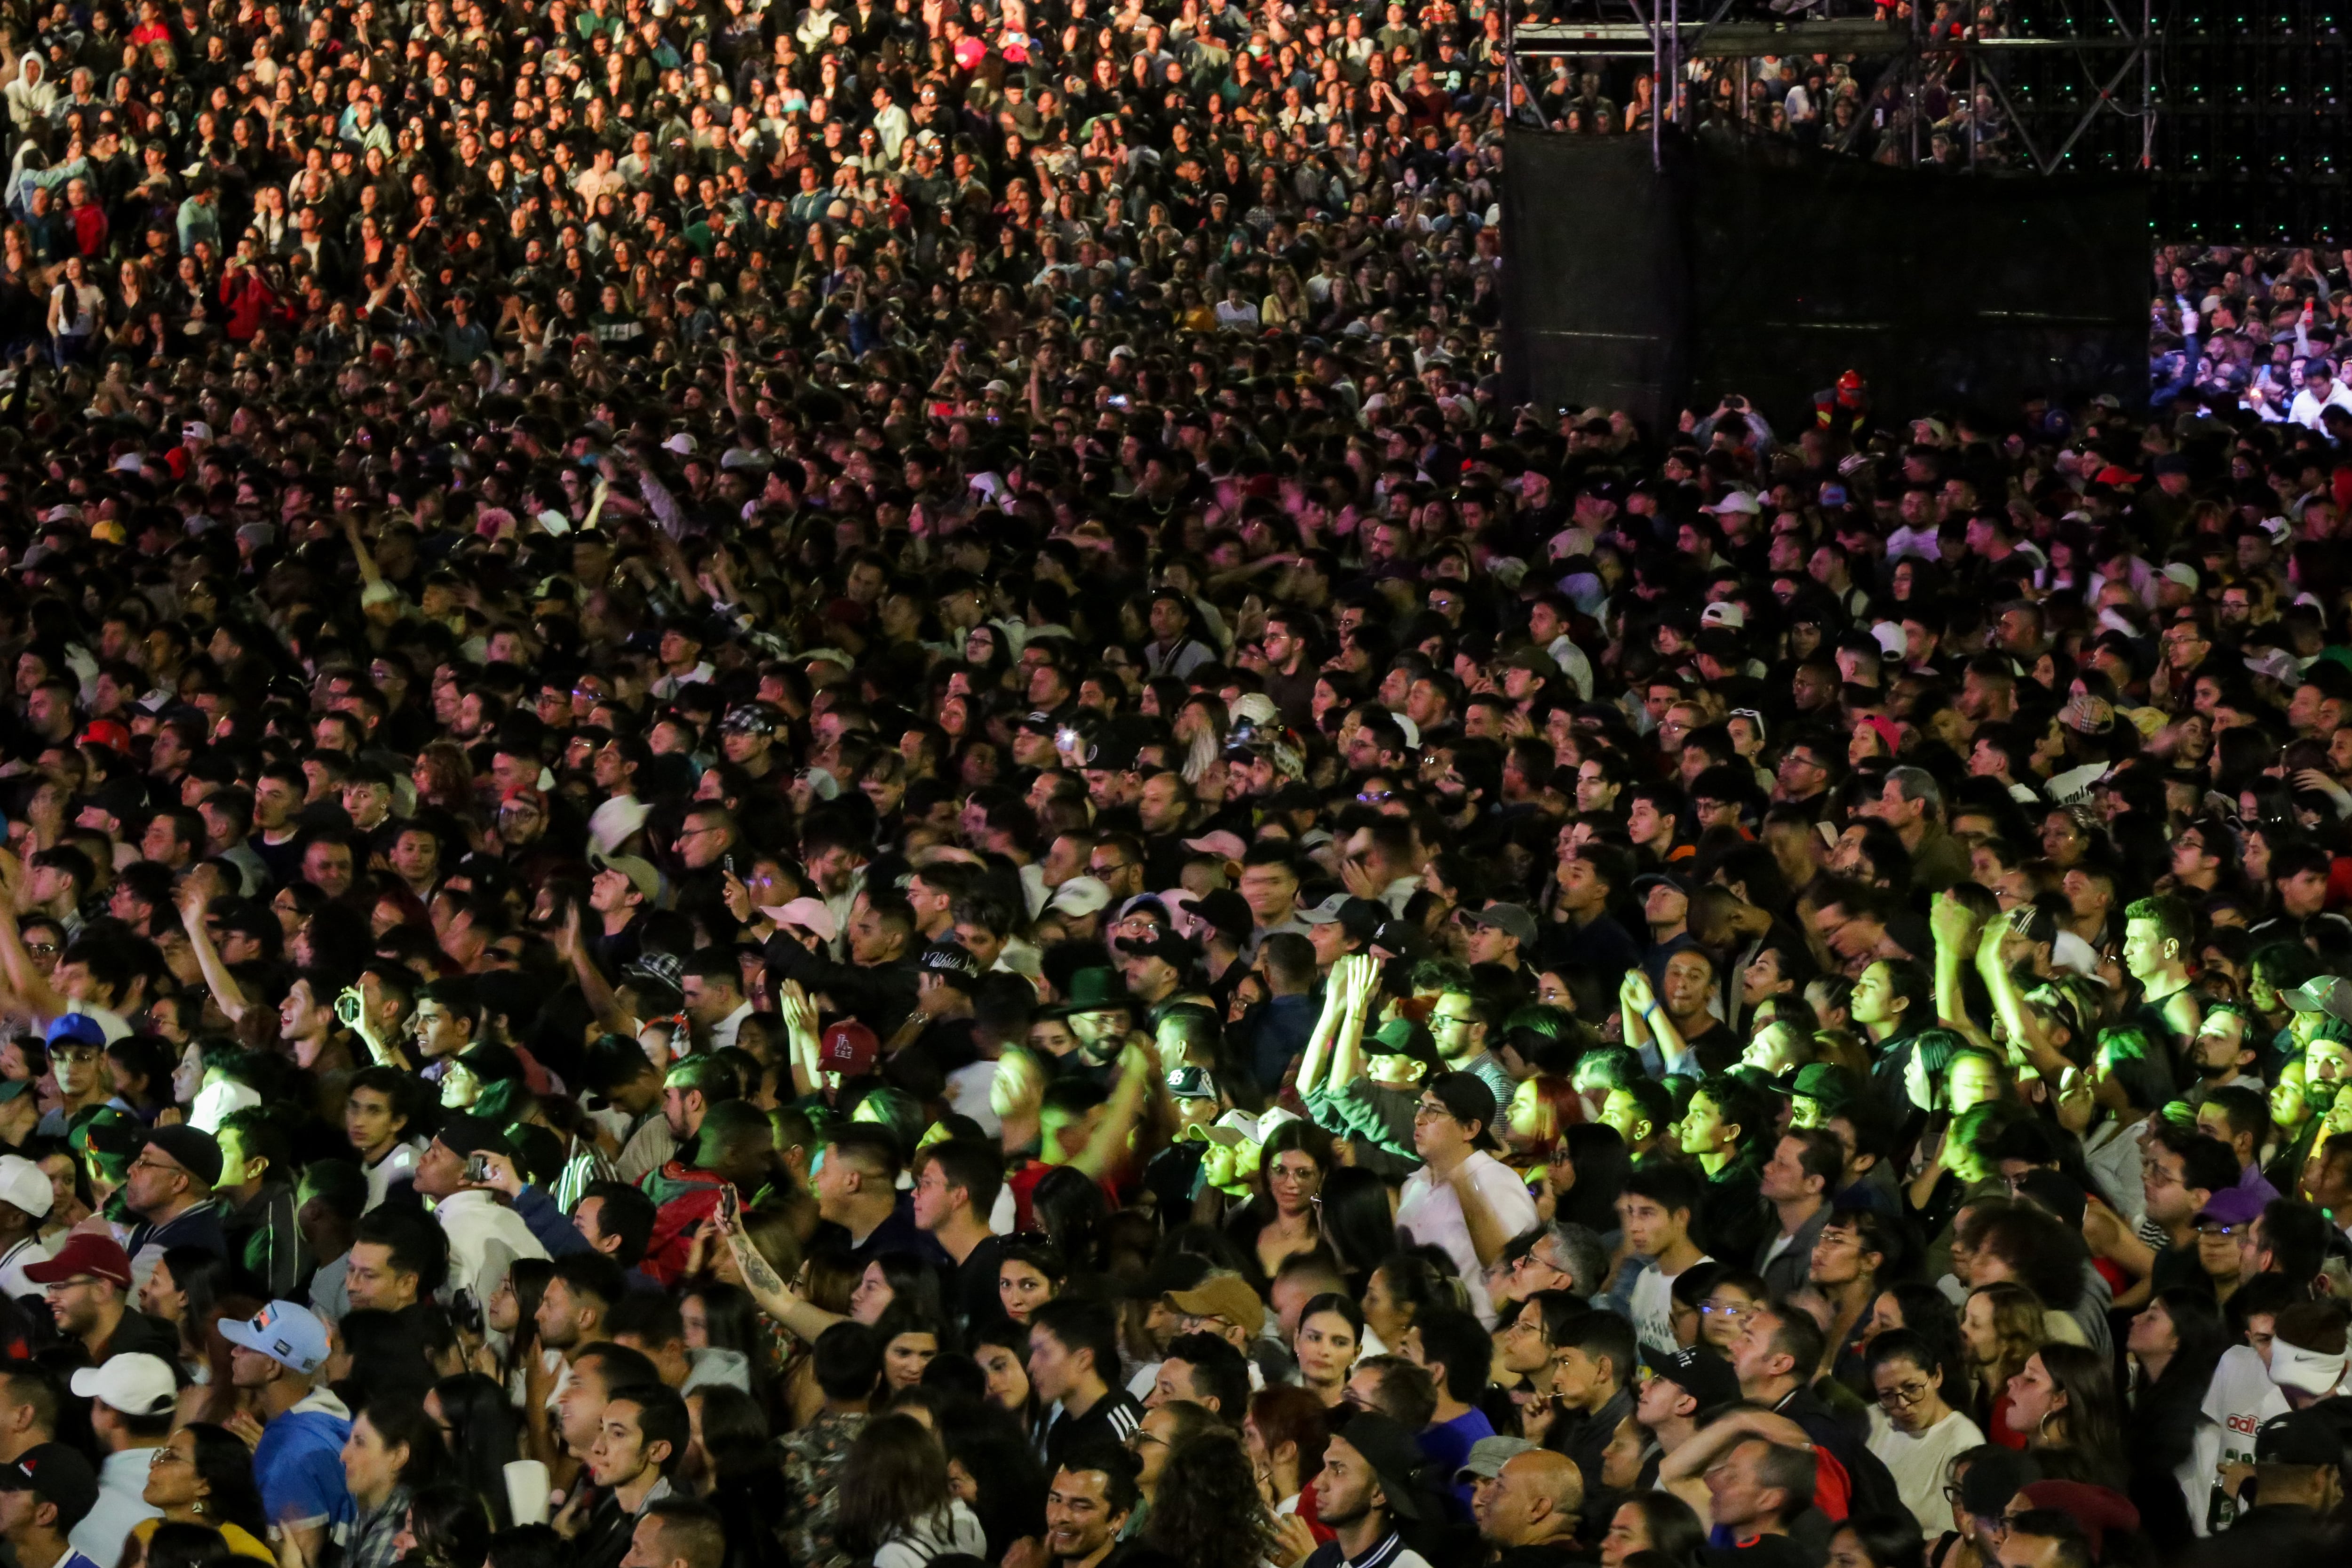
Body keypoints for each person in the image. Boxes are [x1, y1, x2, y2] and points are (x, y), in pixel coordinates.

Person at [216, 1301, 351, 1561]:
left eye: (246, 1348)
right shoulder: (329, 1414)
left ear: (272, 1367)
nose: (234, 1352)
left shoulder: (290, 1453)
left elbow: (300, 1560)